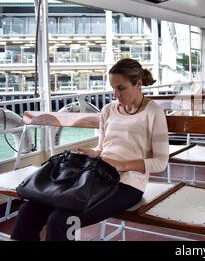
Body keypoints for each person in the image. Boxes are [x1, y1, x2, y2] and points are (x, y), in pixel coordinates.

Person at [12, 58, 169, 241]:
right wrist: (95, 153)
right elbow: (103, 147)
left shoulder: (153, 112)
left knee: (60, 220)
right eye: (113, 88)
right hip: (97, 175)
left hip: (128, 185)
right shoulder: (109, 110)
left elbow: (160, 162)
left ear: (139, 84)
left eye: (121, 88)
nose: (116, 94)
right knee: (28, 211)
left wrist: (120, 165)